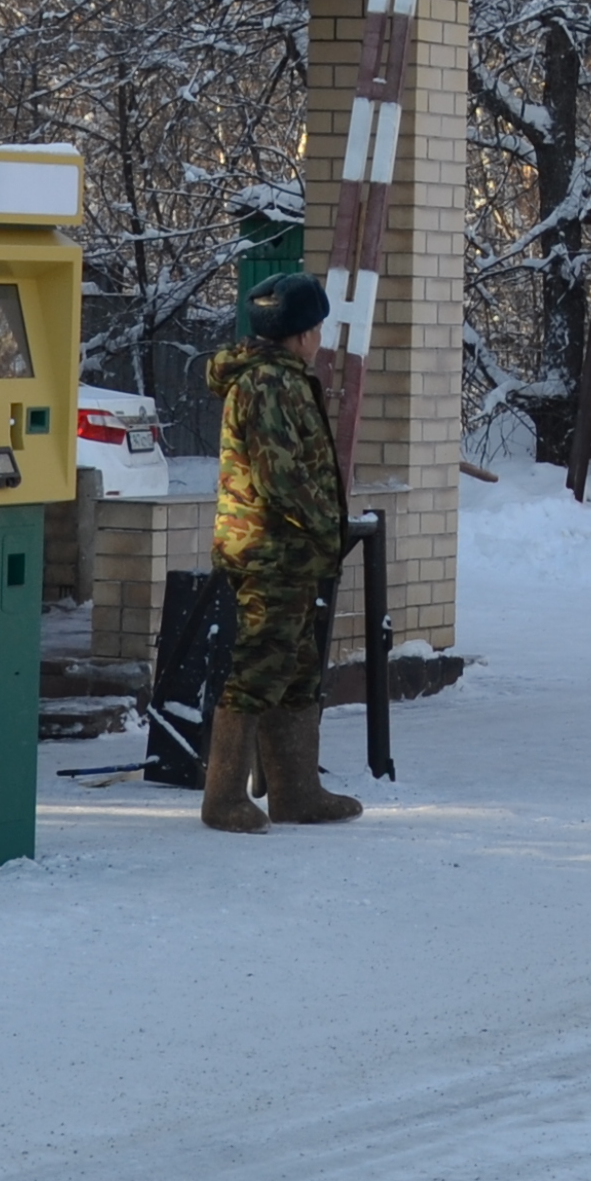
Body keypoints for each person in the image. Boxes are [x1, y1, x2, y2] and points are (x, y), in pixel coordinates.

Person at [199, 274, 363, 833]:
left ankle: (297, 792)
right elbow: (280, 476)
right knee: (260, 668)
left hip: (285, 549)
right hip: (271, 550)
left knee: (294, 668)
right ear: (303, 333)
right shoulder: (270, 384)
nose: (320, 338)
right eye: (317, 328)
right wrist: (326, 527)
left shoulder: (279, 376)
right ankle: (223, 798)